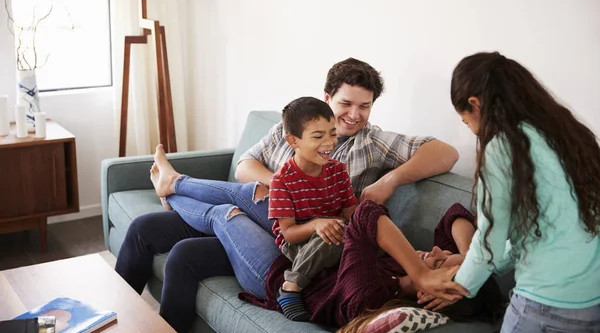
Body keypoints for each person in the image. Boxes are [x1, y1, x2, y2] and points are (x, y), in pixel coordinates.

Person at [115, 58, 460, 332]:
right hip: (269, 211)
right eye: (346, 103)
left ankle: (174, 185)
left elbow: (445, 153)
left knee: (186, 253)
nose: (355, 115)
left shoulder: (372, 142)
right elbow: (245, 165)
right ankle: (111, 319)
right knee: (145, 229)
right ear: (327, 98)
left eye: (365, 106)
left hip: (300, 239)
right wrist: (281, 187)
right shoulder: (292, 127)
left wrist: (391, 181)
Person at [420, 52, 600, 332]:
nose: (472, 132)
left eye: (467, 122)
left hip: (544, 304)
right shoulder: (567, 136)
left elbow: (488, 240)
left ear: (475, 104)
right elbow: (532, 233)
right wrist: (468, 264)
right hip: (591, 302)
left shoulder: (504, 147)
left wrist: (457, 286)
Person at [240, 200, 503, 329]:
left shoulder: (369, 295)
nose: (435, 249)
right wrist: (470, 258)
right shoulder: (405, 274)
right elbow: (454, 214)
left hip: (272, 275)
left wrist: (421, 273)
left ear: (428, 292)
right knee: (250, 195)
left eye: (441, 260)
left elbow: (365, 213)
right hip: (303, 251)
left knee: (225, 214)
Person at [268, 97, 358, 321]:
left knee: (349, 232)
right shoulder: (282, 181)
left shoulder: (338, 171)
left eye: (333, 134)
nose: (329, 142)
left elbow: (351, 215)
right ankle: (290, 287)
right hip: (298, 241)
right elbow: (288, 232)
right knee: (330, 238)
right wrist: (317, 224)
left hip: (333, 232)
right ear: (293, 141)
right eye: (318, 136)